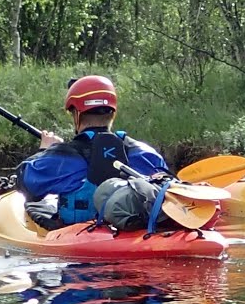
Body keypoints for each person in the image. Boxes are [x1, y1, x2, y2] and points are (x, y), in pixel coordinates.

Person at [17, 75, 170, 228]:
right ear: (113, 113)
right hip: (138, 233)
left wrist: (45, 150)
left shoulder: (64, 157)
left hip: (80, 237)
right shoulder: (145, 153)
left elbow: (26, 183)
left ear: (77, 115)